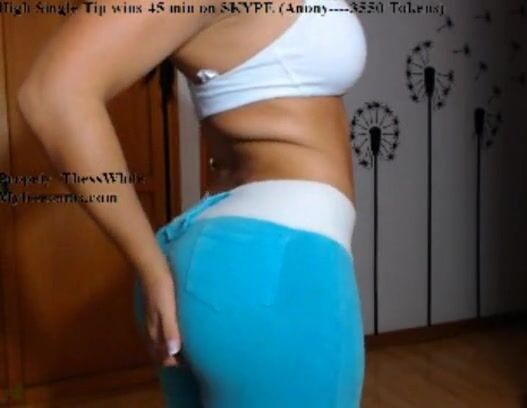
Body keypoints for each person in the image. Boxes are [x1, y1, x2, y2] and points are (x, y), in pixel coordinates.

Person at [17, 0, 368, 405]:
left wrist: (154, 268)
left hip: (236, 259)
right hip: (274, 266)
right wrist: (151, 268)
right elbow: (52, 95)